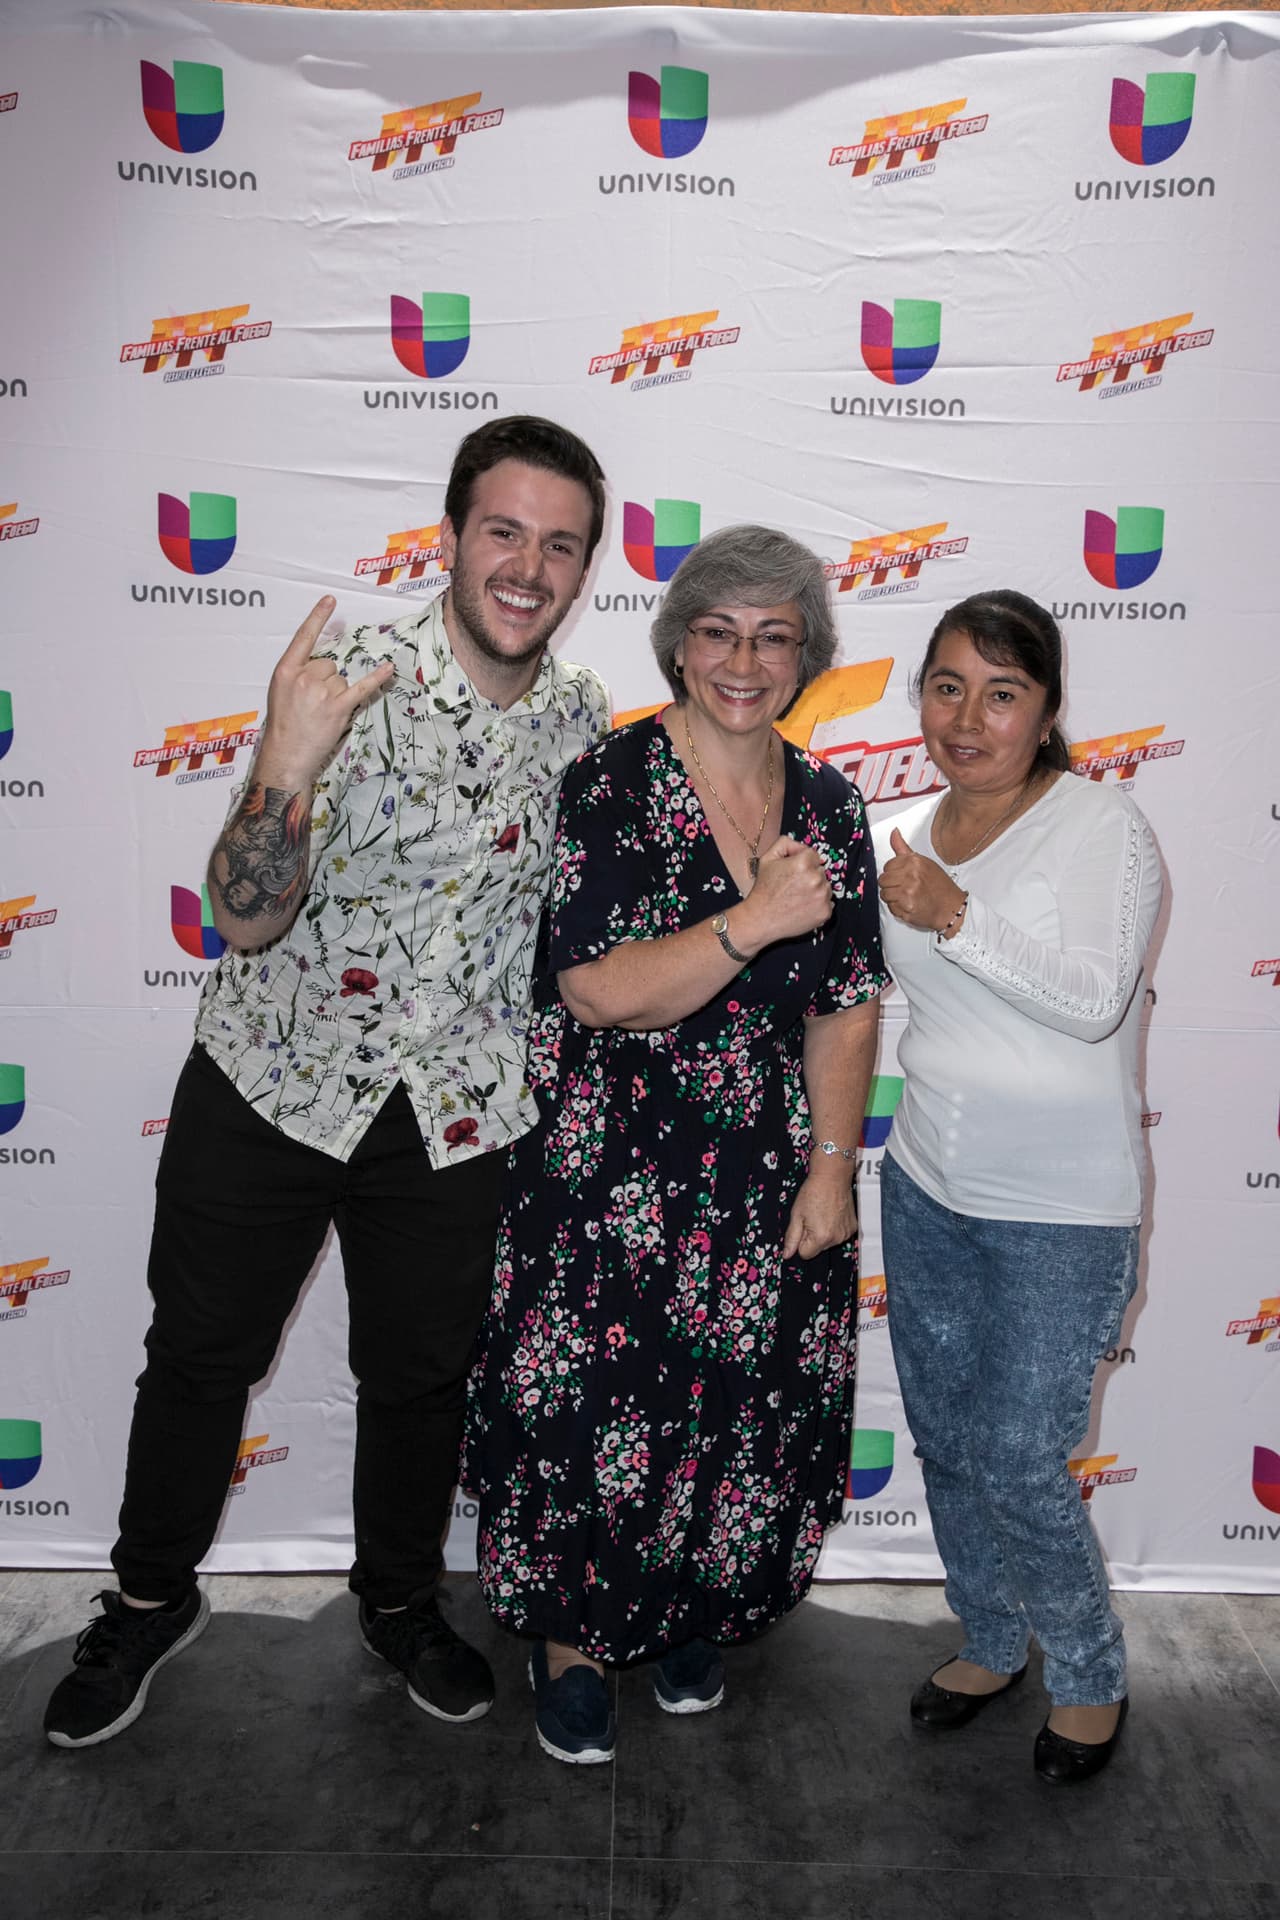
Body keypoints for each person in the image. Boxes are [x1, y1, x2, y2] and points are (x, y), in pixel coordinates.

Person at [43, 416, 611, 1749]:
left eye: (560, 543)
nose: (528, 566)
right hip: (272, 1084)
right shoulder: (347, 672)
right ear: (452, 535)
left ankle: (402, 1603)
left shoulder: (583, 718)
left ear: (587, 567)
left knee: (420, 1379)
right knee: (198, 1359)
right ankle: (145, 1596)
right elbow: (241, 919)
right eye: (504, 531)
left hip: (455, 1111)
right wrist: (286, 763)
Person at [463, 526, 887, 1765]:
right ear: (677, 643)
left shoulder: (830, 804)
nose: (743, 660)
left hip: (761, 1173)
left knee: (737, 1405)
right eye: (717, 632)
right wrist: (750, 922)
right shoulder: (608, 783)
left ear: (805, 653)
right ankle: (574, 1641)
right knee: (587, 1406)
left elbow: (847, 1000)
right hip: (607, 1169)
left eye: (773, 636)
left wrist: (828, 1166)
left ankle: (692, 1604)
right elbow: (595, 992)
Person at [871, 589, 1163, 1785]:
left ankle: (1087, 1672)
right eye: (946, 686)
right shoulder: (896, 827)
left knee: (1015, 1453)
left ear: (1044, 712)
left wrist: (955, 916)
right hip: (928, 1184)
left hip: (1061, 1211)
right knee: (943, 1438)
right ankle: (990, 1637)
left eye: (1001, 692)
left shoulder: (1105, 825)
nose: (968, 716)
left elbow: (1094, 1003)